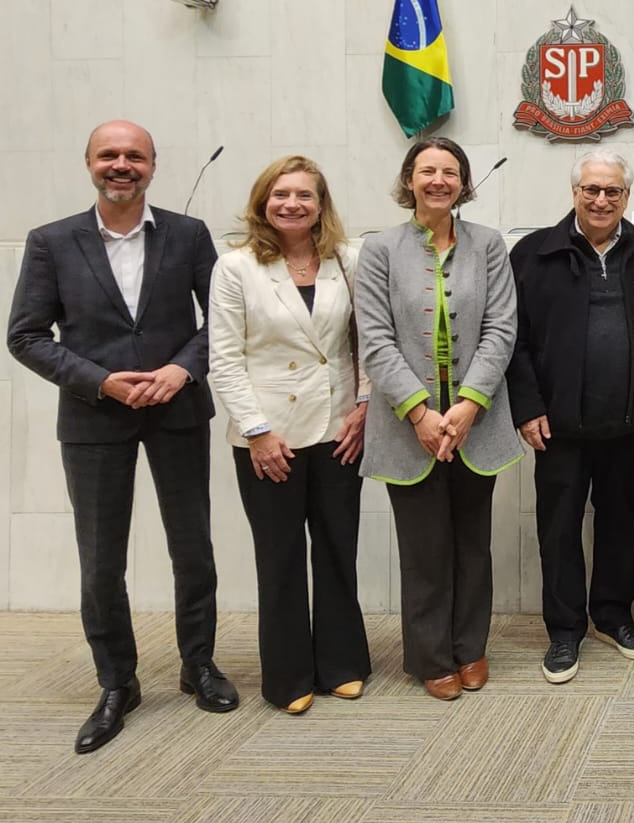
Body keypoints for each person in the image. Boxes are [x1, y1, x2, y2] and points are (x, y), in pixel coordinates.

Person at [7, 120, 238, 754]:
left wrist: (179, 369)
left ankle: (199, 665)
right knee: (100, 561)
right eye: (109, 154)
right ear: (89, 164)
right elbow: (25, 336)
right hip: (93, 417)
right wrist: (101, 382)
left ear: (152, 166)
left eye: (133, 155)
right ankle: (117, 683)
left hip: (177, 411)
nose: (121, 164)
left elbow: (222, 319)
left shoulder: (188, 235)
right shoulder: (52, 241)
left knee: (193, 549)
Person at [355, 136, 523, 701]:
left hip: (477, 423)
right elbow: (374, 341)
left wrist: (469, 404)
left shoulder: (488, 245)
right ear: (409, 181)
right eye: (427, 171)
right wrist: (421, 413)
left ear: (463, 184)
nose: (438, 181)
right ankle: (431, 657)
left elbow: (503, 328)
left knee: (473, 546)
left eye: (450, 172)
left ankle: (470, 647)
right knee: (425, 550)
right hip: (410, 429)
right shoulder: (378, 250)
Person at [208, 155, 373, 714]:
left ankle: (342, 663)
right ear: (263, 203)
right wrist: (257, 431)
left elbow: (370, 340)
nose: (292, 204)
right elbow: (224, 360)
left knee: (336, 548)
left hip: (339, 428)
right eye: (281, 195)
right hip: (267, 436)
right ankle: (287, 676)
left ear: (322, 205)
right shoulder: (236, 268)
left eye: (305, 195)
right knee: (278, 558)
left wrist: (365, 406)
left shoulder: (349, 259)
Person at [507, 149, 634, 685]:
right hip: (558, 427)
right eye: (591, 189)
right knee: (559, 528)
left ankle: (613, 616)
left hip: (629, 424)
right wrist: (527, 407)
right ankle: (565, 630)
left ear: (626, 198)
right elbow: (513, 340)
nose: (600, 199)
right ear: (574, 193)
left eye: (612, 191)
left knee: (620, 525)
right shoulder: (533, 253)